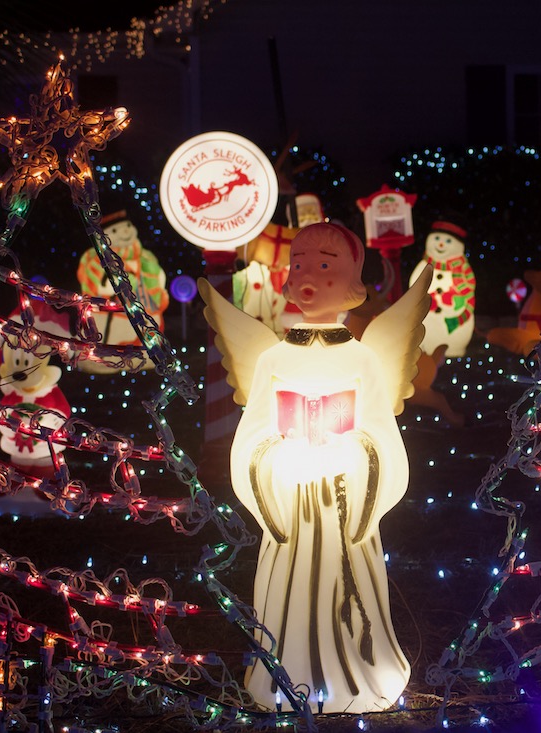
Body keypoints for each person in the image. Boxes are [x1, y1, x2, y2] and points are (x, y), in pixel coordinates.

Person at [201, 222, 432, 713]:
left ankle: (364, 671)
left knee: (350, 587)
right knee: (290, 591)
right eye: (300, 264)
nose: (308, 275)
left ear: (351, 281)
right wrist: (274, 457)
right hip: (291, 504)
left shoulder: (363, 359)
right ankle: (285, 675)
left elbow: (380, 430)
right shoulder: (272, 359)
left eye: (325, 265)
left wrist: (354, 454)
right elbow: (253, 431)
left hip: (346, 503)